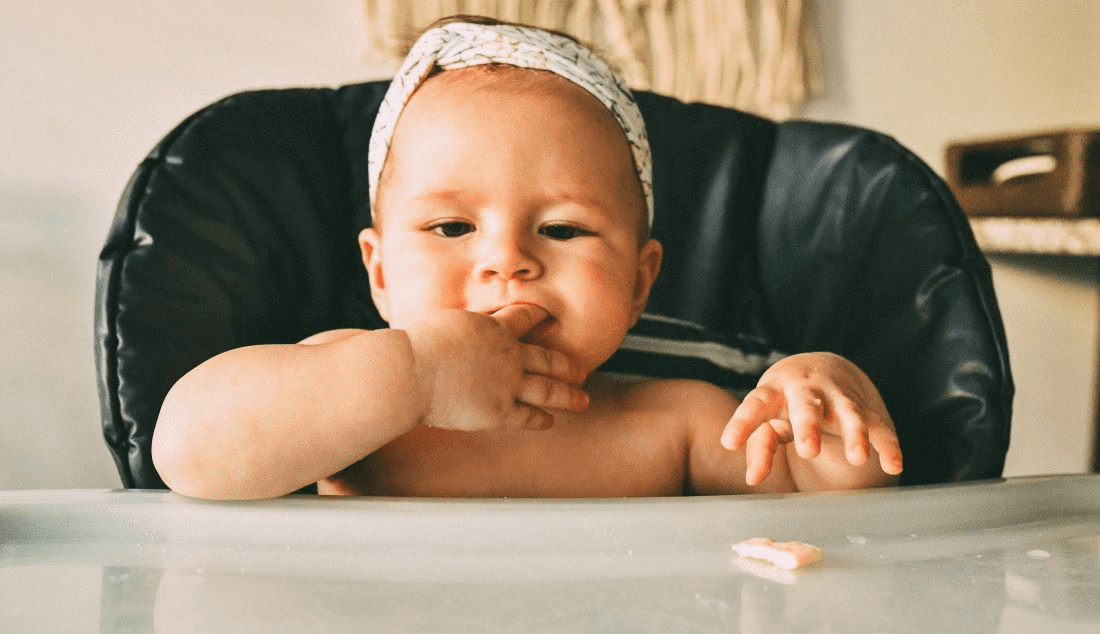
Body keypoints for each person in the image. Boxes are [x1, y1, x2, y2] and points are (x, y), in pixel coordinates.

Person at [152, 17, 904, 500]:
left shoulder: (671, 420)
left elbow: (836, 509)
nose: (508, 262)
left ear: (640, 282)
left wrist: (825, 407)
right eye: (450, 228)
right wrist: (412, 374)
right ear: (380, 274)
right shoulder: (348, 387)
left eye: (565, 230)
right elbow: (188, 453)